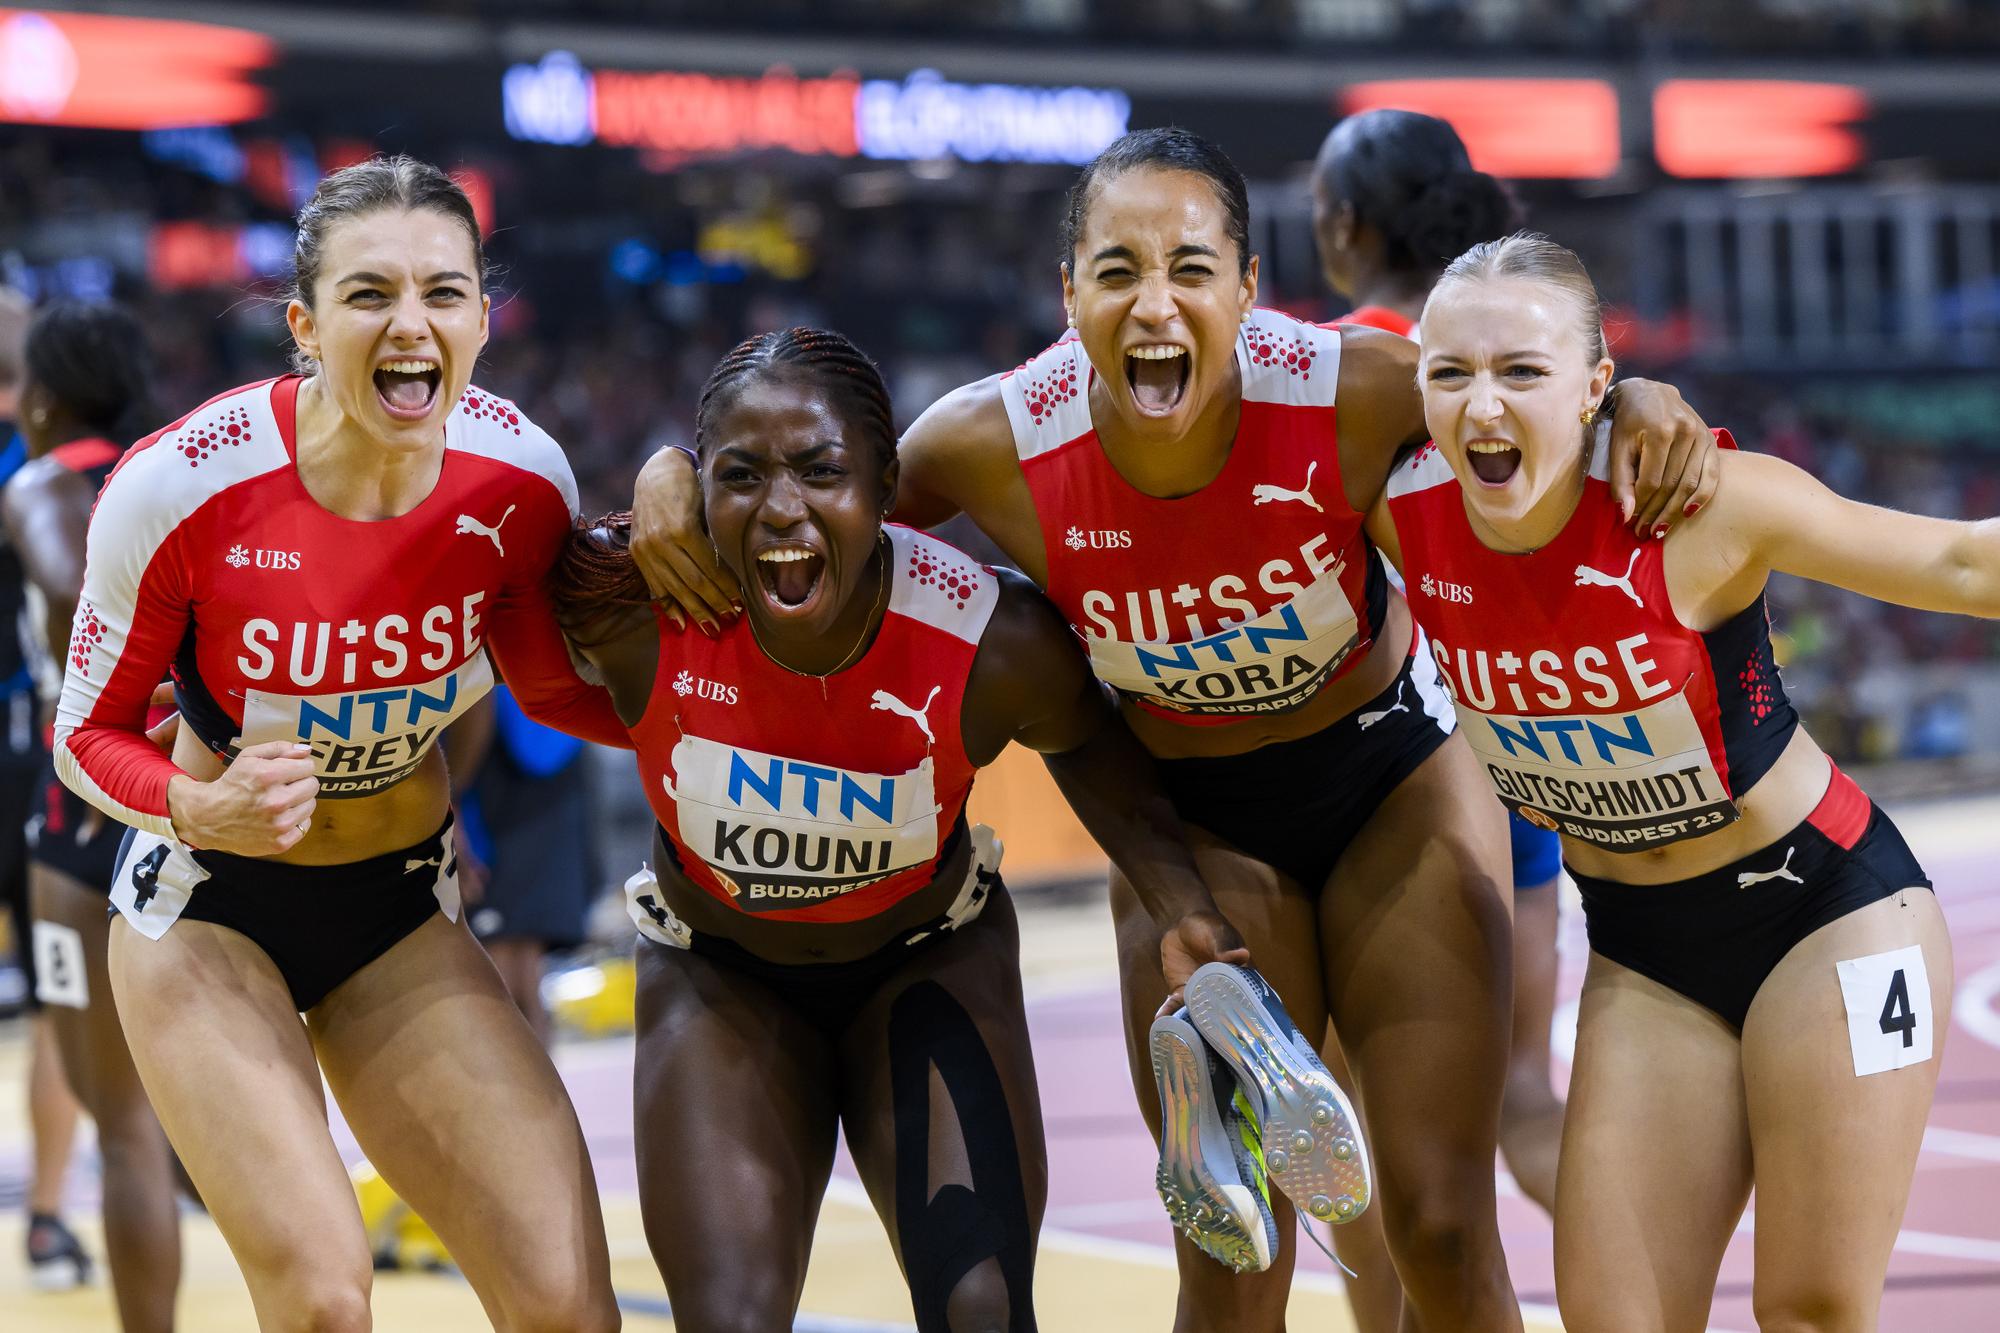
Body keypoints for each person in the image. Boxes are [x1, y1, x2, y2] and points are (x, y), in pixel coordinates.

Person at [625, 129, 1719, 1331]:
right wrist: (670, 468)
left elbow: (1530, 397)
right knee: (1234, 1251)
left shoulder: (1357, 387)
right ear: (1068, 296)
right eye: (1116, 270)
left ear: (1248, 288)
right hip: (1186, 832)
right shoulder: (987, 441)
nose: (1154, 304)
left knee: (1442, 1224)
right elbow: (810, 487)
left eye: (1191, 268)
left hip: (1388, 787)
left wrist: (1642, 401)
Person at [550, 326, 1250, 1331]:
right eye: (740, 476)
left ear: (885, 487)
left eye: (820, 471)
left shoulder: (991, 641)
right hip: (718, 975)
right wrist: (654, 475)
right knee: (728, 1320)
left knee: (981, 1310)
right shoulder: (634, 605)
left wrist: (1178, 902)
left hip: (924, 967)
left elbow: (1092, 747)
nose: (782, 508)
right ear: (700, 496)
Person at [52, 156, 624, 1332]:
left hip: (397, 913)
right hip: (206, 910)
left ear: (480, 315)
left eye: (443, 293)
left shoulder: (524, 482)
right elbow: (87, 736)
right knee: (321, 1300)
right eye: (369, 295)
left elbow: (552, 693)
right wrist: (191, 807)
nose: (409, 324)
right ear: (305, 326)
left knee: (566, 1301)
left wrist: (729, 695)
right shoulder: (177, 486)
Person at [1376, 231, 1956, 1331]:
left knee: (1812, 1309)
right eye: (1449, 372)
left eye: (1521, 372)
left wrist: (1645, 395)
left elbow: (1961, 564)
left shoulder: (1705, 503)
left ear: (1594, 384)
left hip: (1828, 914)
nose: (1480, 405)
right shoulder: (1393, 510)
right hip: (1643, 952)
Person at [1314, 108, 1565, 1226]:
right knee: (1523, 1101)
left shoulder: (1331, 370)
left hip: (1393, 774)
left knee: (1377, 1152)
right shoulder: (1518, 352)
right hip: (1527, 744)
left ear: (1340, 226)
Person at [4, 299, 181, 1330]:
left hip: (85, 808)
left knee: (117, 1117)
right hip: (176, 802)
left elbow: (78, 587)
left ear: (48, 394)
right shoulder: (172, 472)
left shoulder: (43, 480)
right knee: (148, 1113)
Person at [0, 283, 94, 1292]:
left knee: (61, 994)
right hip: (34, 758)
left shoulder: (45, 471)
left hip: (37, 758)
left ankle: (47, 1213)